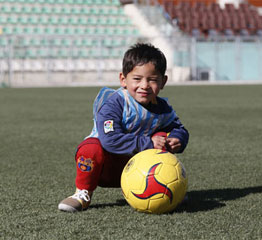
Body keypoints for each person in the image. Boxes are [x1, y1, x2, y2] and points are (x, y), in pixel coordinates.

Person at [58, 43, 190, 212]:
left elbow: (180, 128)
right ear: (123, 79)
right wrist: (150, 143)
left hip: (139, 168)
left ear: (163, 82)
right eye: (137, 79)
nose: (144, 85)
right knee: (90, 148)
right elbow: (110, 140)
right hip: (105, 166)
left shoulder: (162, 106)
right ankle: (82, 193)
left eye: (152, 79)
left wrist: (178, 139)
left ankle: (166, 190)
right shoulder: (115, 102)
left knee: (163, 136)